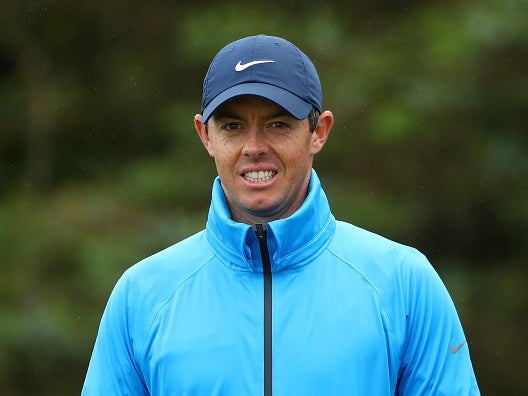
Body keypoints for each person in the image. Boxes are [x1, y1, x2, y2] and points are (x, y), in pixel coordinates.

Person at [81, 34, 480, 395]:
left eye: (278, 124)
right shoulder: (143, 295)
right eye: (233, 125)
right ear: (206, 136)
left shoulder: (403, 283)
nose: (254, 146)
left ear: (318, 131)